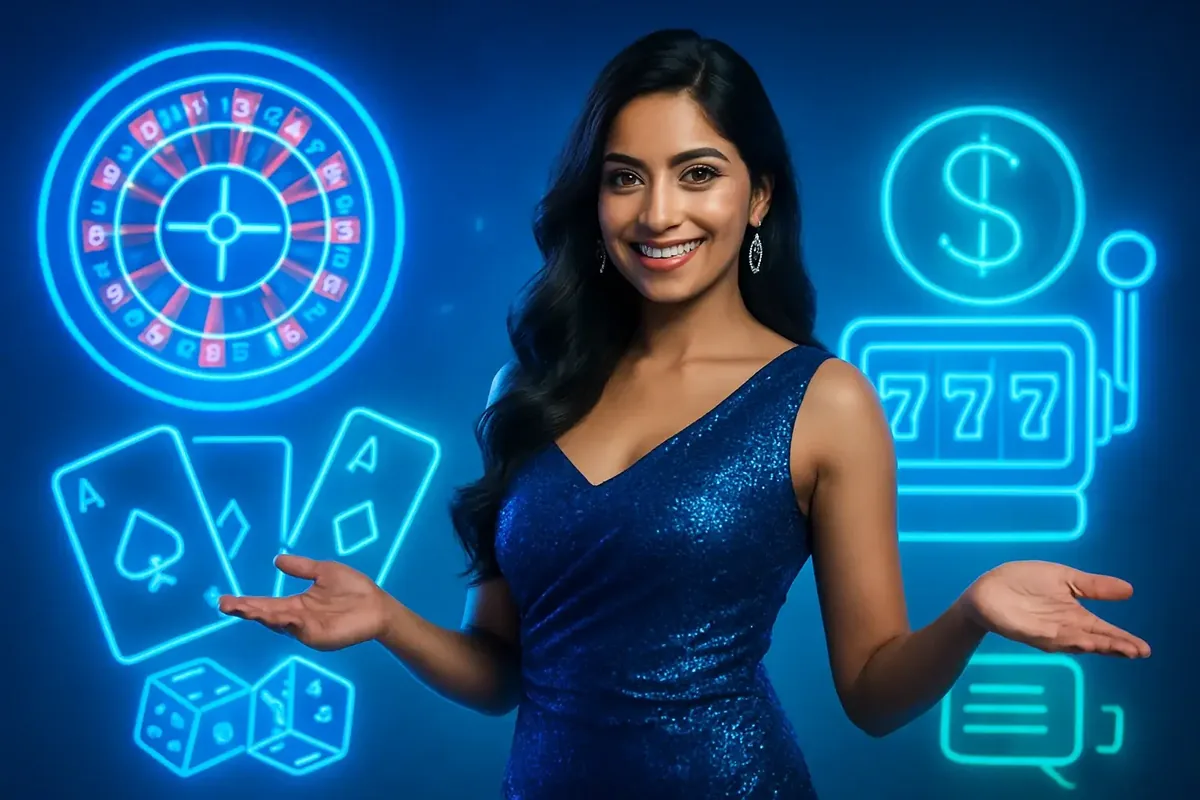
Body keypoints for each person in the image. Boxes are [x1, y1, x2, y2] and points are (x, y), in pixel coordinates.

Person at [219, 29, 1150, 798]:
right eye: (626, 177)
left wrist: (971, 614)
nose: (658, 213)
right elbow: (505, 672)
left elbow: (870, 693)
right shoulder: (529, 388)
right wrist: (386, 618)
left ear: (760, 196)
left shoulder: (825, 401)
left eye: (698, 172)